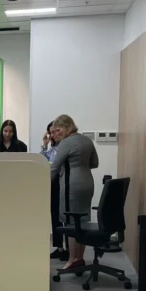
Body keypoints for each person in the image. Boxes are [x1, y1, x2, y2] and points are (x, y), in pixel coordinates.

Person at [49, 114, 99, 272]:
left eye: (58, 130)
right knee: (81, 221)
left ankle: (71, 259)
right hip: (87, 183)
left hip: (71, 185)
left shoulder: (66, 143)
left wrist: (44, 184)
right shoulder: (86, 140)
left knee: (70, 222)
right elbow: (95, 163)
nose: (55, 134)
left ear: (67, 127)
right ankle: (80, 258)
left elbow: (54, 167)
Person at [41, 122, 66, 260]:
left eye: (55, 131)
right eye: (50, 132)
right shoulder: (53, 147)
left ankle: (68, 249)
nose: (53, 135)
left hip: (63, 182)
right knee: (55, 215)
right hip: (53, 183)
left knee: (65, 216)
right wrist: (44, 145)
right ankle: (59, 247)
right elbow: (43, 161)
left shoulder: (65, 146)